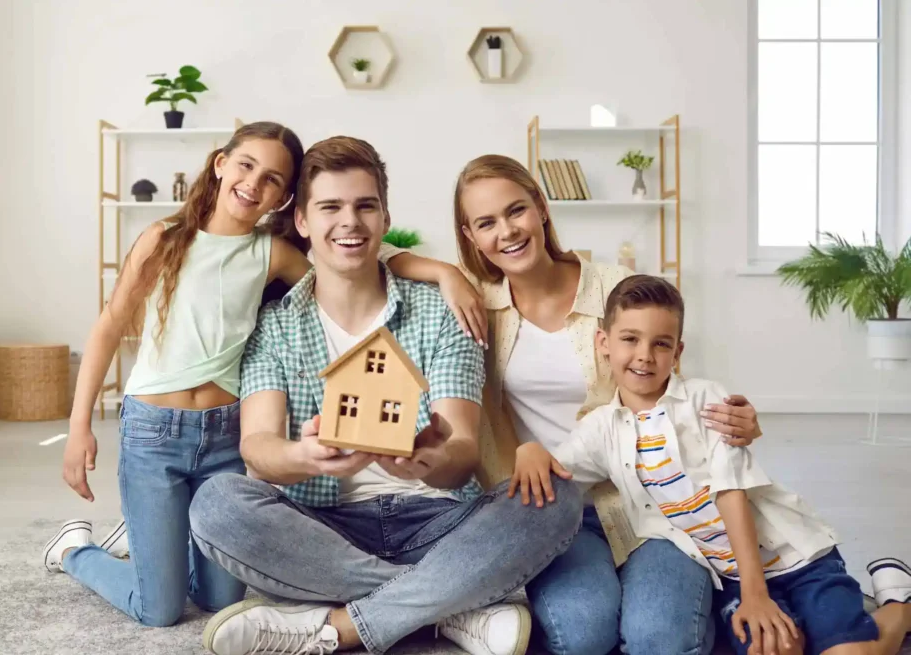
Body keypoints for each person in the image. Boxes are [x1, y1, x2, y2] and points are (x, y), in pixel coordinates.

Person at [41, 122, 485, 628]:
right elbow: (107, 329)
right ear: (219, 164)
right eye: (246, 165)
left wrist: (441, 271)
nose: (254, 183)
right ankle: (78, 551)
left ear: (283, 201)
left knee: (220, 600)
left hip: (225, 431)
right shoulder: (162, 239)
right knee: (159, 609)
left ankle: (157, 541)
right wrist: (78, 427)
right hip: (153, 429)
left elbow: (343, 262)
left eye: (273, 179)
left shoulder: (272, 254)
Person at [188, 136, 583, 655]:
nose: (349, 222)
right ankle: (449, 608)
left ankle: (344, 625)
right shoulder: (275, 326)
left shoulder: (442, 310)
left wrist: (426, 459)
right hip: (324, 528)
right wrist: (304, 456)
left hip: (439, 522)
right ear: (303, 221)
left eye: (364, 206)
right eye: (331, 207)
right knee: (217, 504)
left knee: (557, 498)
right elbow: (257, 446)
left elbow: (461, 453)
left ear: (384, 216)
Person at [444, 153, 765, 654]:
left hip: (657, 502)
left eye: (517, 210)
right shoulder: (476, 304)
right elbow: (382, 264)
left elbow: (673, 382)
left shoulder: (615, 286)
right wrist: (440, 272)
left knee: (660, 637)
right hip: (553, 508)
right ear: (470, 235)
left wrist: (735, 419)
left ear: (542, 209)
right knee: (582, 634)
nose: (507, 231)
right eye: (486, 223)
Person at [540, 273, 911, 655]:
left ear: (678, 352)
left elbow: (731, 493)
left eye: (661, 344)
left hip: (796, 558)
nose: (645, 355)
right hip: (730, 577)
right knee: (776, 647)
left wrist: (756, 594)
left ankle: (899, 602)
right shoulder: (600, 429)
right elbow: (557, 469)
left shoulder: (708, 402)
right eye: (630, 339)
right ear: (604, 342)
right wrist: (528, 453)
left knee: (851, 654)